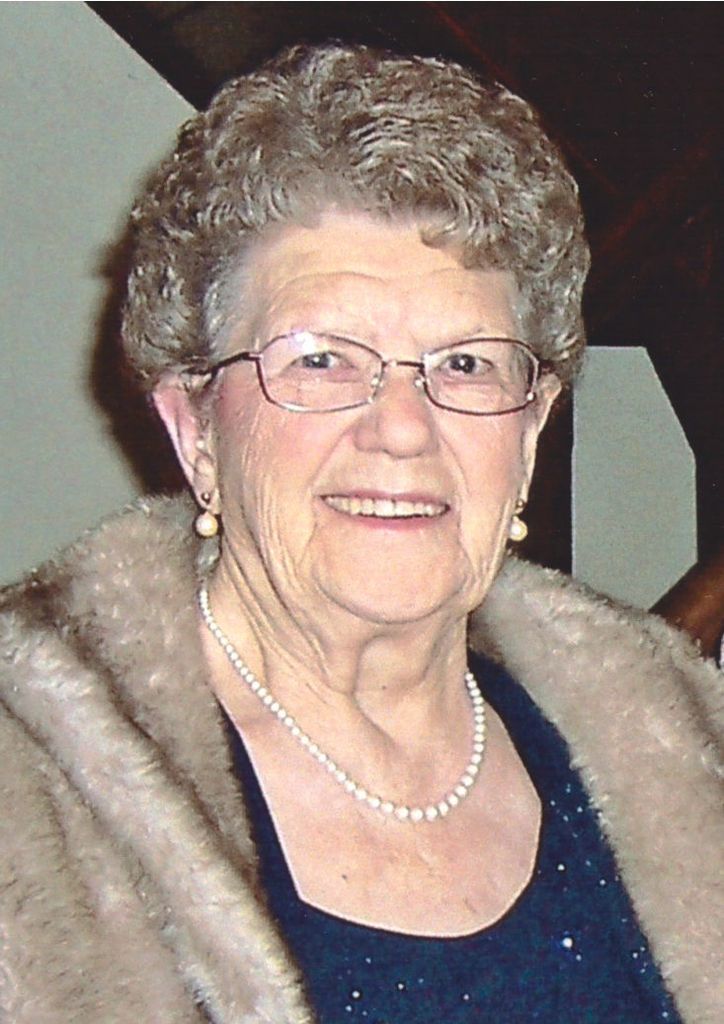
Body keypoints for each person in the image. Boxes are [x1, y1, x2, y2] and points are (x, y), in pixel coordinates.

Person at [0, 44, 720, 1024]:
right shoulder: (31, 798)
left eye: (464, 363)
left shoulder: (681, 750)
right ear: (196, 426)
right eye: (321, 359)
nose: (402, 428)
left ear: (529, 430)